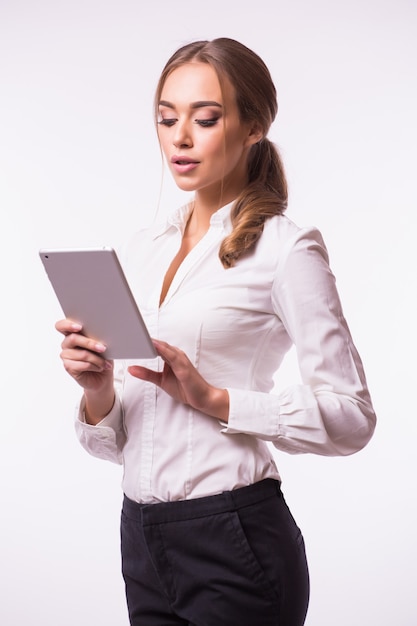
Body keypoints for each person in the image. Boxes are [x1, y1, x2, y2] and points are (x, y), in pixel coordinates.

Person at [56, 38, 376, 626]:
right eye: (166, 118)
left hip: (235, 538)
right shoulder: (140, 251)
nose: (180, 137)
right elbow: (118, 442)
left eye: (205, 118)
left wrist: (215, 400)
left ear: (253, 126)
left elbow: (353, 418)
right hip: (142, 539)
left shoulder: (286, 249)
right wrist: (97, 389)